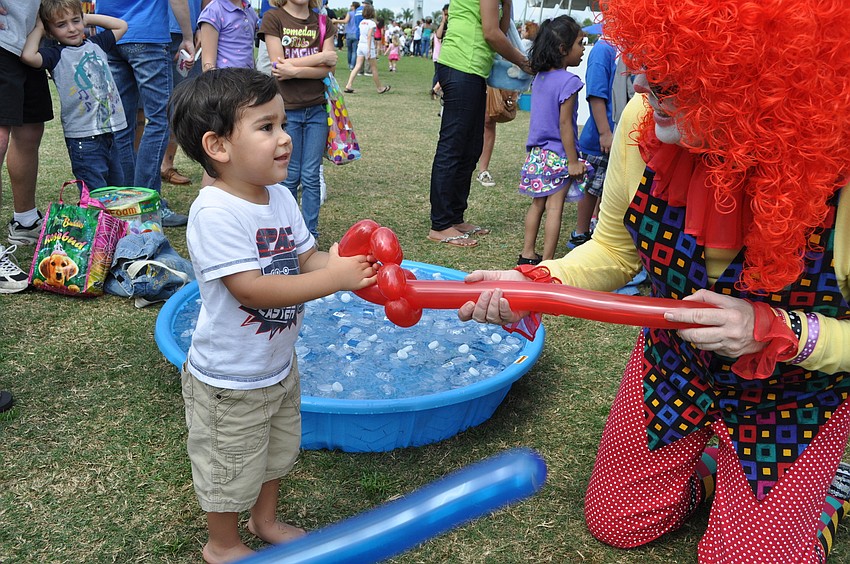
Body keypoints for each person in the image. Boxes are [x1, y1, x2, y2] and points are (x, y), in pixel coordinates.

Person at [458, 0, 850, 560]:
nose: (639, 82)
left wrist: (777, 330)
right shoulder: (645, 122)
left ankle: (820, 495)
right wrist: (535, 281)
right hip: (674, 365)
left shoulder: (840, 168)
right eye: (643, 63)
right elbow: (615, 251)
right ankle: (717, 468)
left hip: (793, 394)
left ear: (757, 79)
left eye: (671, 77)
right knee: (619, 523)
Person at [169, 67, 376, 564]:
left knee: (275, 453)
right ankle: (222, 545)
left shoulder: (279, 196)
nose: (285, 139)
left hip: (278, 366)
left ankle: (265, 520)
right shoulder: (215, 212)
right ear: (217, 146)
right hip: (230, 379)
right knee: (229, 466)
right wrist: (335, 279)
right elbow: (251, 289)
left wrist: (354, 266)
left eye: (282, 124)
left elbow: (306, 259)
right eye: (266, 128)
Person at [427, 0, 528, 247]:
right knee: (453, 146)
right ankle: (440, 224)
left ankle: (454, 217)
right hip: (460, 66)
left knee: (471, 146)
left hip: (474, 70)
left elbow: (501, 29)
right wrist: (524, 63)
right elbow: (491, 34)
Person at [96, 0, 196, 227]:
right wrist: (187, 37)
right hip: (147, 34)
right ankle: (147, 202)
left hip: (110, 36)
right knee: (159, 119)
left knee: (122, 123)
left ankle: (127, 202)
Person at [20, 0, 128, 191]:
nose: (71, 29)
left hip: (109, 133)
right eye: (61, 25)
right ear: (50, 32)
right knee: (95, 194)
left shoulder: (97, 44)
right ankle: (96, 222)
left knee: (116, 190)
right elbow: (28, 56)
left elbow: (122, 25)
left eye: (75, 21)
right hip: (83, 139)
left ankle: (110, 222)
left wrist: (83, 18)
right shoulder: (55, 55)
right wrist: (39, 27)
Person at [262, 0, 337, 241]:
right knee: (289, 175)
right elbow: (277, 64)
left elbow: (328, 68)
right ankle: (287, 234)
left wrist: (294, 70)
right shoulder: (273, 18)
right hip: (286, 112)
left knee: (311, 175)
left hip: (317, 109)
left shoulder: (323, 22)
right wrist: (320, 56)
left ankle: (310, 235)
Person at [517, 16, 588, 265]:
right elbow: (565, 124)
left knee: (538, 204)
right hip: (558, 154)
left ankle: (527, 253)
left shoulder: (540, 79)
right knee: (555, 207)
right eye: (581, 43)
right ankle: (547, 260)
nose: (583, 49)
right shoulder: (569, 82)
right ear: (562, 49)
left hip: (537, 154)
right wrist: (572, 161)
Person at [568, 33, 618, 250]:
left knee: (606, 187)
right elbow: (596, 93)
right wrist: (605, 132)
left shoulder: (624, 47)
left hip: (619, 135)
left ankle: (596, 227)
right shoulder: (604, 49)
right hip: (601, 137)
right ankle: (580, 233)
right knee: (592, 188)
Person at [160, 0, 204, 187]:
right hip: (154, 28)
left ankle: (166, 164)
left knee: (182, 103)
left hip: (187, 29)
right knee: (144, 109)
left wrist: (200, 25)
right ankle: (143, 164)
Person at [198, 0, 258, 72]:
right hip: (224, 80)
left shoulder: (250, 11)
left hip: (248, 78)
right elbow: (208, 65)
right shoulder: (212, 12)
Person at [342, 4, 389, 94]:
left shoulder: (362, 22)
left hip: (360, 45)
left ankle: (349, 85)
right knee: (374, 68)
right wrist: (369, 50)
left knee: (357, 66)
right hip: (368, 46)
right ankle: (379, 88)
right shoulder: (372, 23)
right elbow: (369, 37)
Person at [332, 1, 359, 71]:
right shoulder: (358, 14)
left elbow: (345, 21)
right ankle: (352, 66)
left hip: (349, 33)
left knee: (349, 50)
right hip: (356, 33)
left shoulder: (350, 13)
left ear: (353, 6)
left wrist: (336, 21)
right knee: (354, 51)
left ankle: (349, 64)